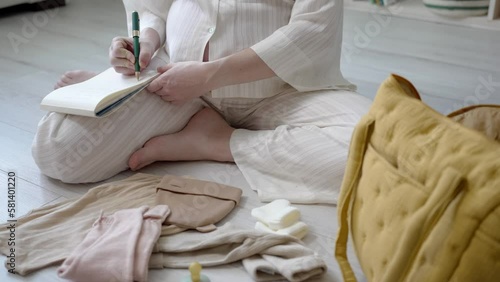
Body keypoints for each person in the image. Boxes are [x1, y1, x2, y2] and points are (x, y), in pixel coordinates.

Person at [32, 0, 372, 204]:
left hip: (284, 89)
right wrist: (146, 42)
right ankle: (111, 87)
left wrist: (210, 75)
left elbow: (313, 31)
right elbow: (153, 8)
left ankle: (217, 142)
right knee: (56, 151)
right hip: (174, 84)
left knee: (377, 148)